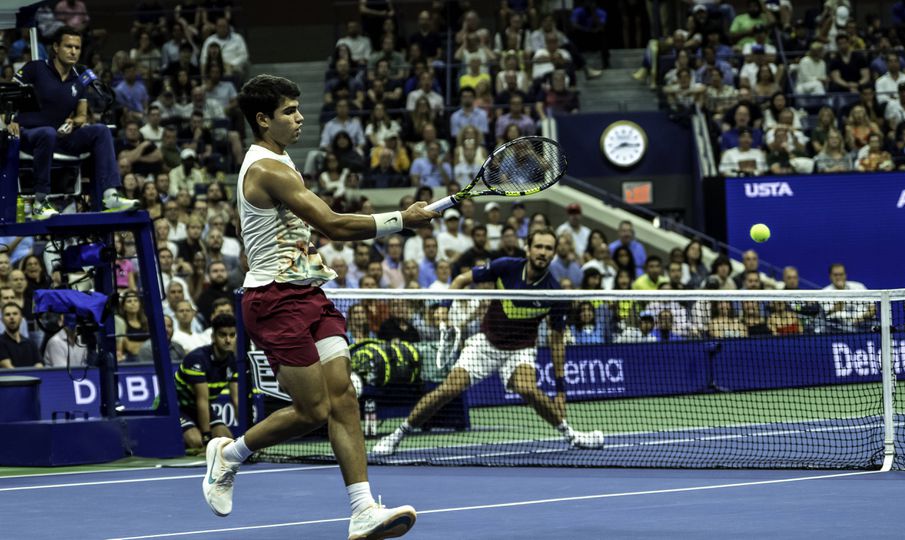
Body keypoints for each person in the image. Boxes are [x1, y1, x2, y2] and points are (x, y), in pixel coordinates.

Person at [200, 75, 436, 537]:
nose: (300, 117)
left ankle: (363, 508)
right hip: (272, 300)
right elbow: (332, 224)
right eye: (289, 111)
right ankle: (228, 454)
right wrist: (401, 220)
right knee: (312, 411)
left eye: (298, 108)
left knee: (343, 397)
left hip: (308, 292)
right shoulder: (268, 169)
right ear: (263, 120)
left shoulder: (283, 159)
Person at [375, 228, 603, 458]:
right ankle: (396, 435)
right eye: (539, 247)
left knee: (528, 389)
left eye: (548, 248)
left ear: (553, 253)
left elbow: (556, 341)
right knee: (448, 389)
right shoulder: (506, 267)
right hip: (486, 344)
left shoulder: (554, 293)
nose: (543, 252)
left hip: (521, 349)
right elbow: (462, 279)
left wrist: (561, 389)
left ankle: (572, 435)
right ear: (528, 248)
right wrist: (445, 305)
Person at [9, 27, 139, 219]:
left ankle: (110, 194)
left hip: (59, 136)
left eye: (77, 47)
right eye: (68, 46)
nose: (73, 51)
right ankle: (40, 202)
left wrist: (72, 122)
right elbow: (7, 96)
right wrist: (8, 120)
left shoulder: (79, 79)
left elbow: (81, 115)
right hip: (28, 135)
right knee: (47, 133)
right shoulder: (35, 68)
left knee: (101, 130)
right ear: (55, 47)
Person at [175, 314, 238, 450]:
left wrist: (249, 436)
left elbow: (236, 399)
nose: (228, 340)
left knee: (228, 443)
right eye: (223, 335)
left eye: (232, 335)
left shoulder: (234, 361)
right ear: (213, 337)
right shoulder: (196, 359)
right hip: (177, 408)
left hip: (202, 408)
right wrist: (206, 437)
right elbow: (202, 400)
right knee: (197, 443)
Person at [0, 303, 41, 368]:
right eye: (7, 314)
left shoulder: (31, 343)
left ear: (21, 318)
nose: (12, 317)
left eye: (15, 314)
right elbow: (8, 367)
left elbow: (39, 364)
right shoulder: (1, 342)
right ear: (2, 320)